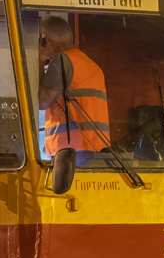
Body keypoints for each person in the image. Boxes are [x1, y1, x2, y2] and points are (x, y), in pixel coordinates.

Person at [36, 16, 110, 161]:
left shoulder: (62, 61)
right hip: (95, 149)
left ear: (48, 41)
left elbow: (42, 101)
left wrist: (40, 60)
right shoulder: (92, 65)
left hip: (68, 151)